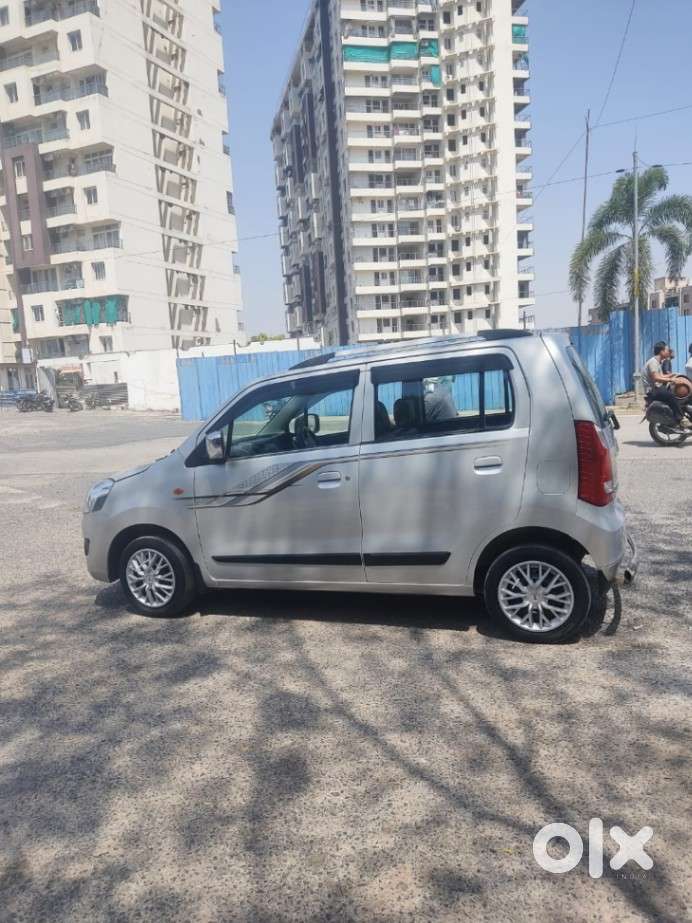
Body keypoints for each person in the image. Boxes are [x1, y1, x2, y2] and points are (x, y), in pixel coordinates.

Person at [643, 341, 688, 425]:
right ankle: (680, 418)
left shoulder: (657, 362)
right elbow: (656, 378)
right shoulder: (653, 362)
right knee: (671, 396)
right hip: (653, 390)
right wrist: (672, 380)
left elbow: (661, 376)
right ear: (661, 351)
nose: (668, 352)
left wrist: (672, 375)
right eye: (667, 350)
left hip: (657, 388)